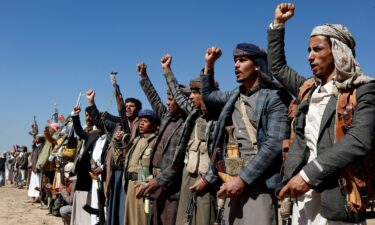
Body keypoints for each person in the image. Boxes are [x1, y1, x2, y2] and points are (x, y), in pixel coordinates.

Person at [268, 3, 375, 224]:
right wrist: (278, 25)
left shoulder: (363, 90)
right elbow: (277, 67)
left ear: (337, 51)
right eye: (309, 50)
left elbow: (359, 140)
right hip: (301, 198)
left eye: (317, 49)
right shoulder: (307, 89)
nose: (309, 56)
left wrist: (308, 175)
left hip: (338, 197)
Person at [201, 43, 291, 225]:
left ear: (257, 65)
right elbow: (208, 95)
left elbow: (273, 144)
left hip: (260, 183)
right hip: (231, 179)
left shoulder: (275, 97)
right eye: (235, 61)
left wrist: (243, 179)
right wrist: (209, 65)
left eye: (242, 60)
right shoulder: (234, 96)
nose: (236, 65)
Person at [159, 54, 220, 225]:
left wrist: (208, 179)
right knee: (184, 220)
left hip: (207, 181)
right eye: (191, 92)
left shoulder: (219, 119)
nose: (191, 97)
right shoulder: (193, 114)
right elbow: (178, 95)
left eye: (196, 92)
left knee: (204, 219)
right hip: (188, 176)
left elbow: (220, 155)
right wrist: (167, 70)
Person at [135, 62, 187, 225]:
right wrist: (144, 77)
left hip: (171, 188)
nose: (167, 103)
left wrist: (159, 181)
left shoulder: (186, 124)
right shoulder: (166, 118)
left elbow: (177, 164)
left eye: (171, 99)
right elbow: (154, 98)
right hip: (155, 183)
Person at [86, 89, 142, 225]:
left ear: (138, 110)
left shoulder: (141, 127)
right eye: (126, 106)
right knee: (113, 208)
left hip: (128, 175)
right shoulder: (117, 125)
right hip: (114, 172)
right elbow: (99, 121)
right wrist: (91, 102)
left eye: (131, 106)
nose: (128, 108)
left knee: (124, 210)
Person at [123, 109, 159, 225]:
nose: (142, 124)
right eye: (141, 121)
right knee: (130, 220)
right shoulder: (136, 140)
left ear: (154, 125)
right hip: (130, 185)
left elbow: (157, 167)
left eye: (146, 121)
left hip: (143, 187)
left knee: (141, 220)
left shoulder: (155, 141)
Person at [27, 134, 45, 203]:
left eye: (37, 139)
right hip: (34, 169)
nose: (35, 140)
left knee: (38, 184)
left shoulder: (42, 146)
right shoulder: (36, 147)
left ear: (40, 139)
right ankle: (33, 196)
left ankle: (38, 196)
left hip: (38, 169)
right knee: (33, 184)